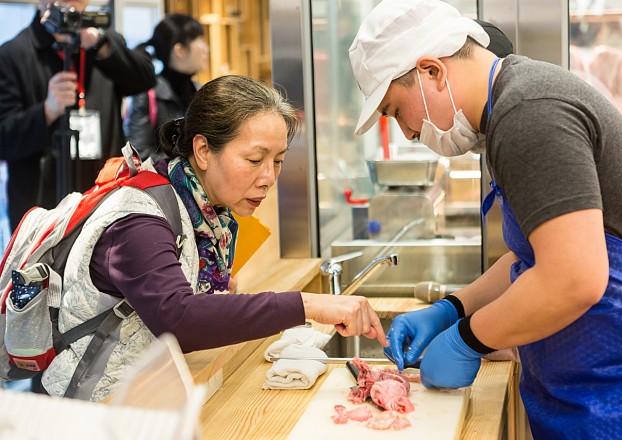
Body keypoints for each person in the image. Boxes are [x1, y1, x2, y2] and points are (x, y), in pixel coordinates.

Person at [349, 1, 622, 439]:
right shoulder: (513, 106)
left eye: (396, 111)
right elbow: (536, 255)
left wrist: (468, 339)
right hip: (597, 383)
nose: (408, 133)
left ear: (432, 72)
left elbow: (574, 276)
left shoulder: (529, 112)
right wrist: (453, 307)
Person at [39, 74, 386, 401]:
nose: (268, 177)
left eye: (278, 161)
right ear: (203, 151)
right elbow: (180, 319)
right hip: (96, 410)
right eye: (254, 159)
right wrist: (308, 305)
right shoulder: (139, 219)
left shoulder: (206, 216)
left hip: (149, 398)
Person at [0, 0, 156, 231]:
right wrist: (47, 111)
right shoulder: (13, 54)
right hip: (41, 209)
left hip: (104, 201)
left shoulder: (103, 44)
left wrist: (101, 44)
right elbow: (4, 141)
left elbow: (145, 78)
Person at [124, 14, 209, 161]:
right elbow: (138, 155)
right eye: (199, 40)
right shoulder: (148, 93)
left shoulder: (201, 92)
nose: (206, 48)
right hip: (164, 183)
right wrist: (186, 164)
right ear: (180, 50)